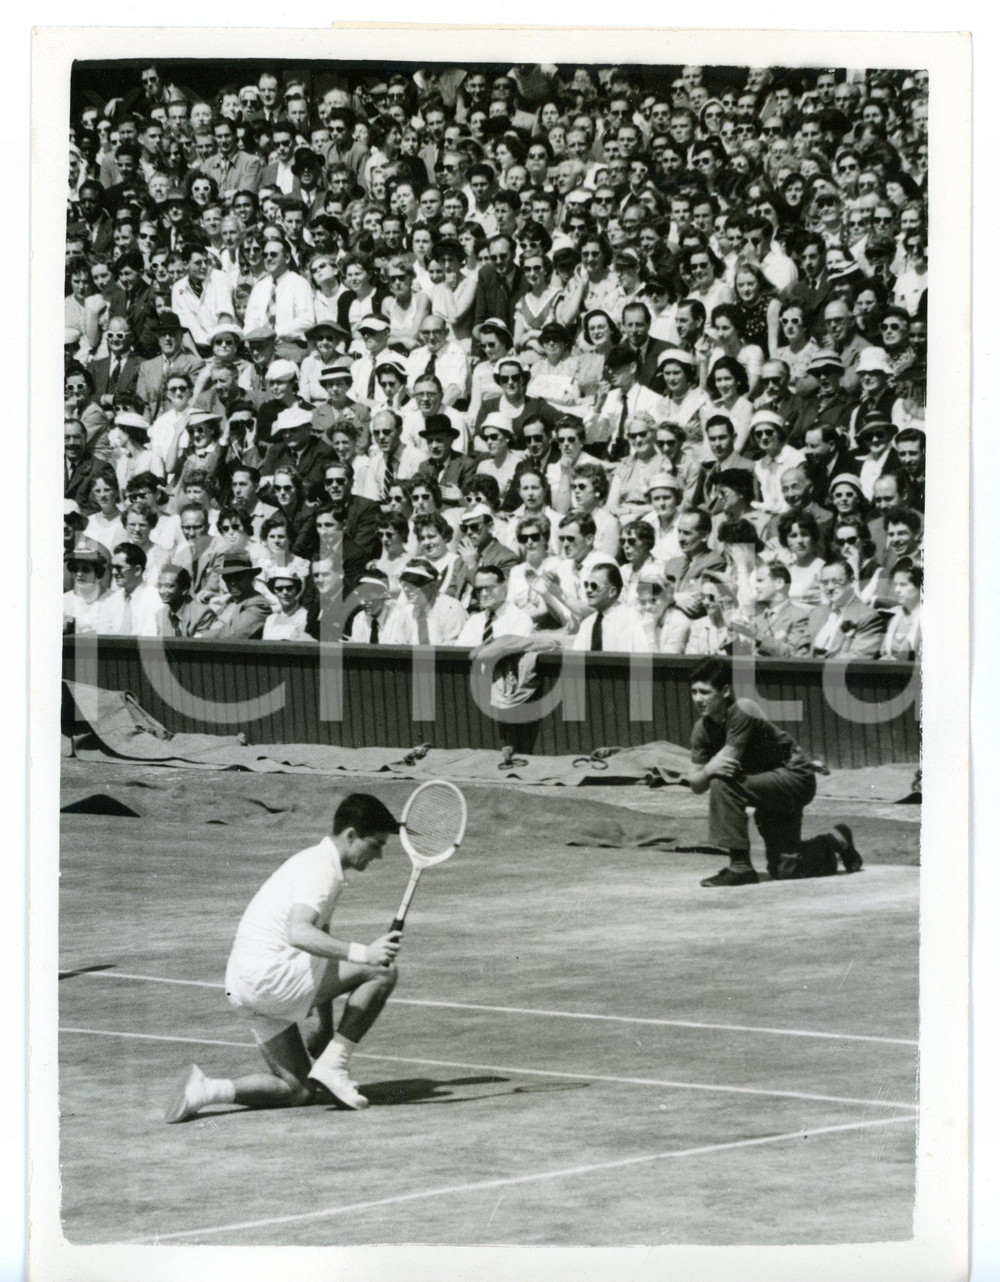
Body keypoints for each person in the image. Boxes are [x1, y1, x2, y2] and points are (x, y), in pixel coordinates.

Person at [165, 793, 404, 1120]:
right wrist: (367, 953)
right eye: (376, 844)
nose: (378, 856)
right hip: (270, 977)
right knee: (382, 971)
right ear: (350, 835)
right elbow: (300, 934)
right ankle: (336, 1064)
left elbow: (321, 950)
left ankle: (204, 1090)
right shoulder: (323, 871)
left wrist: (325, 1026)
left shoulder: (315, 862)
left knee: (298, 1090)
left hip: (243, 985)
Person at [684, 657, 861, 887]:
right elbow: (695, 784)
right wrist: (707, 769)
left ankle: (740, 867)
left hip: (793, 778)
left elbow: (722, 766)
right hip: (765, 787)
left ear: (726, 690)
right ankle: (837, 840)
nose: (698, 699)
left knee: (722, 782)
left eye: (705, 692)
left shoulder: (743, 710)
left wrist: (706, 772)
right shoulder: (701, 729)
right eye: (694, 692)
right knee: (786, 868)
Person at [456, 565, 534, 645]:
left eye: (489, 588)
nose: (484, 593)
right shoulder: (474, 621)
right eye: (479, 589)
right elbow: (459, 653)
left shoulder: (519, 619)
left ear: (504, 587)